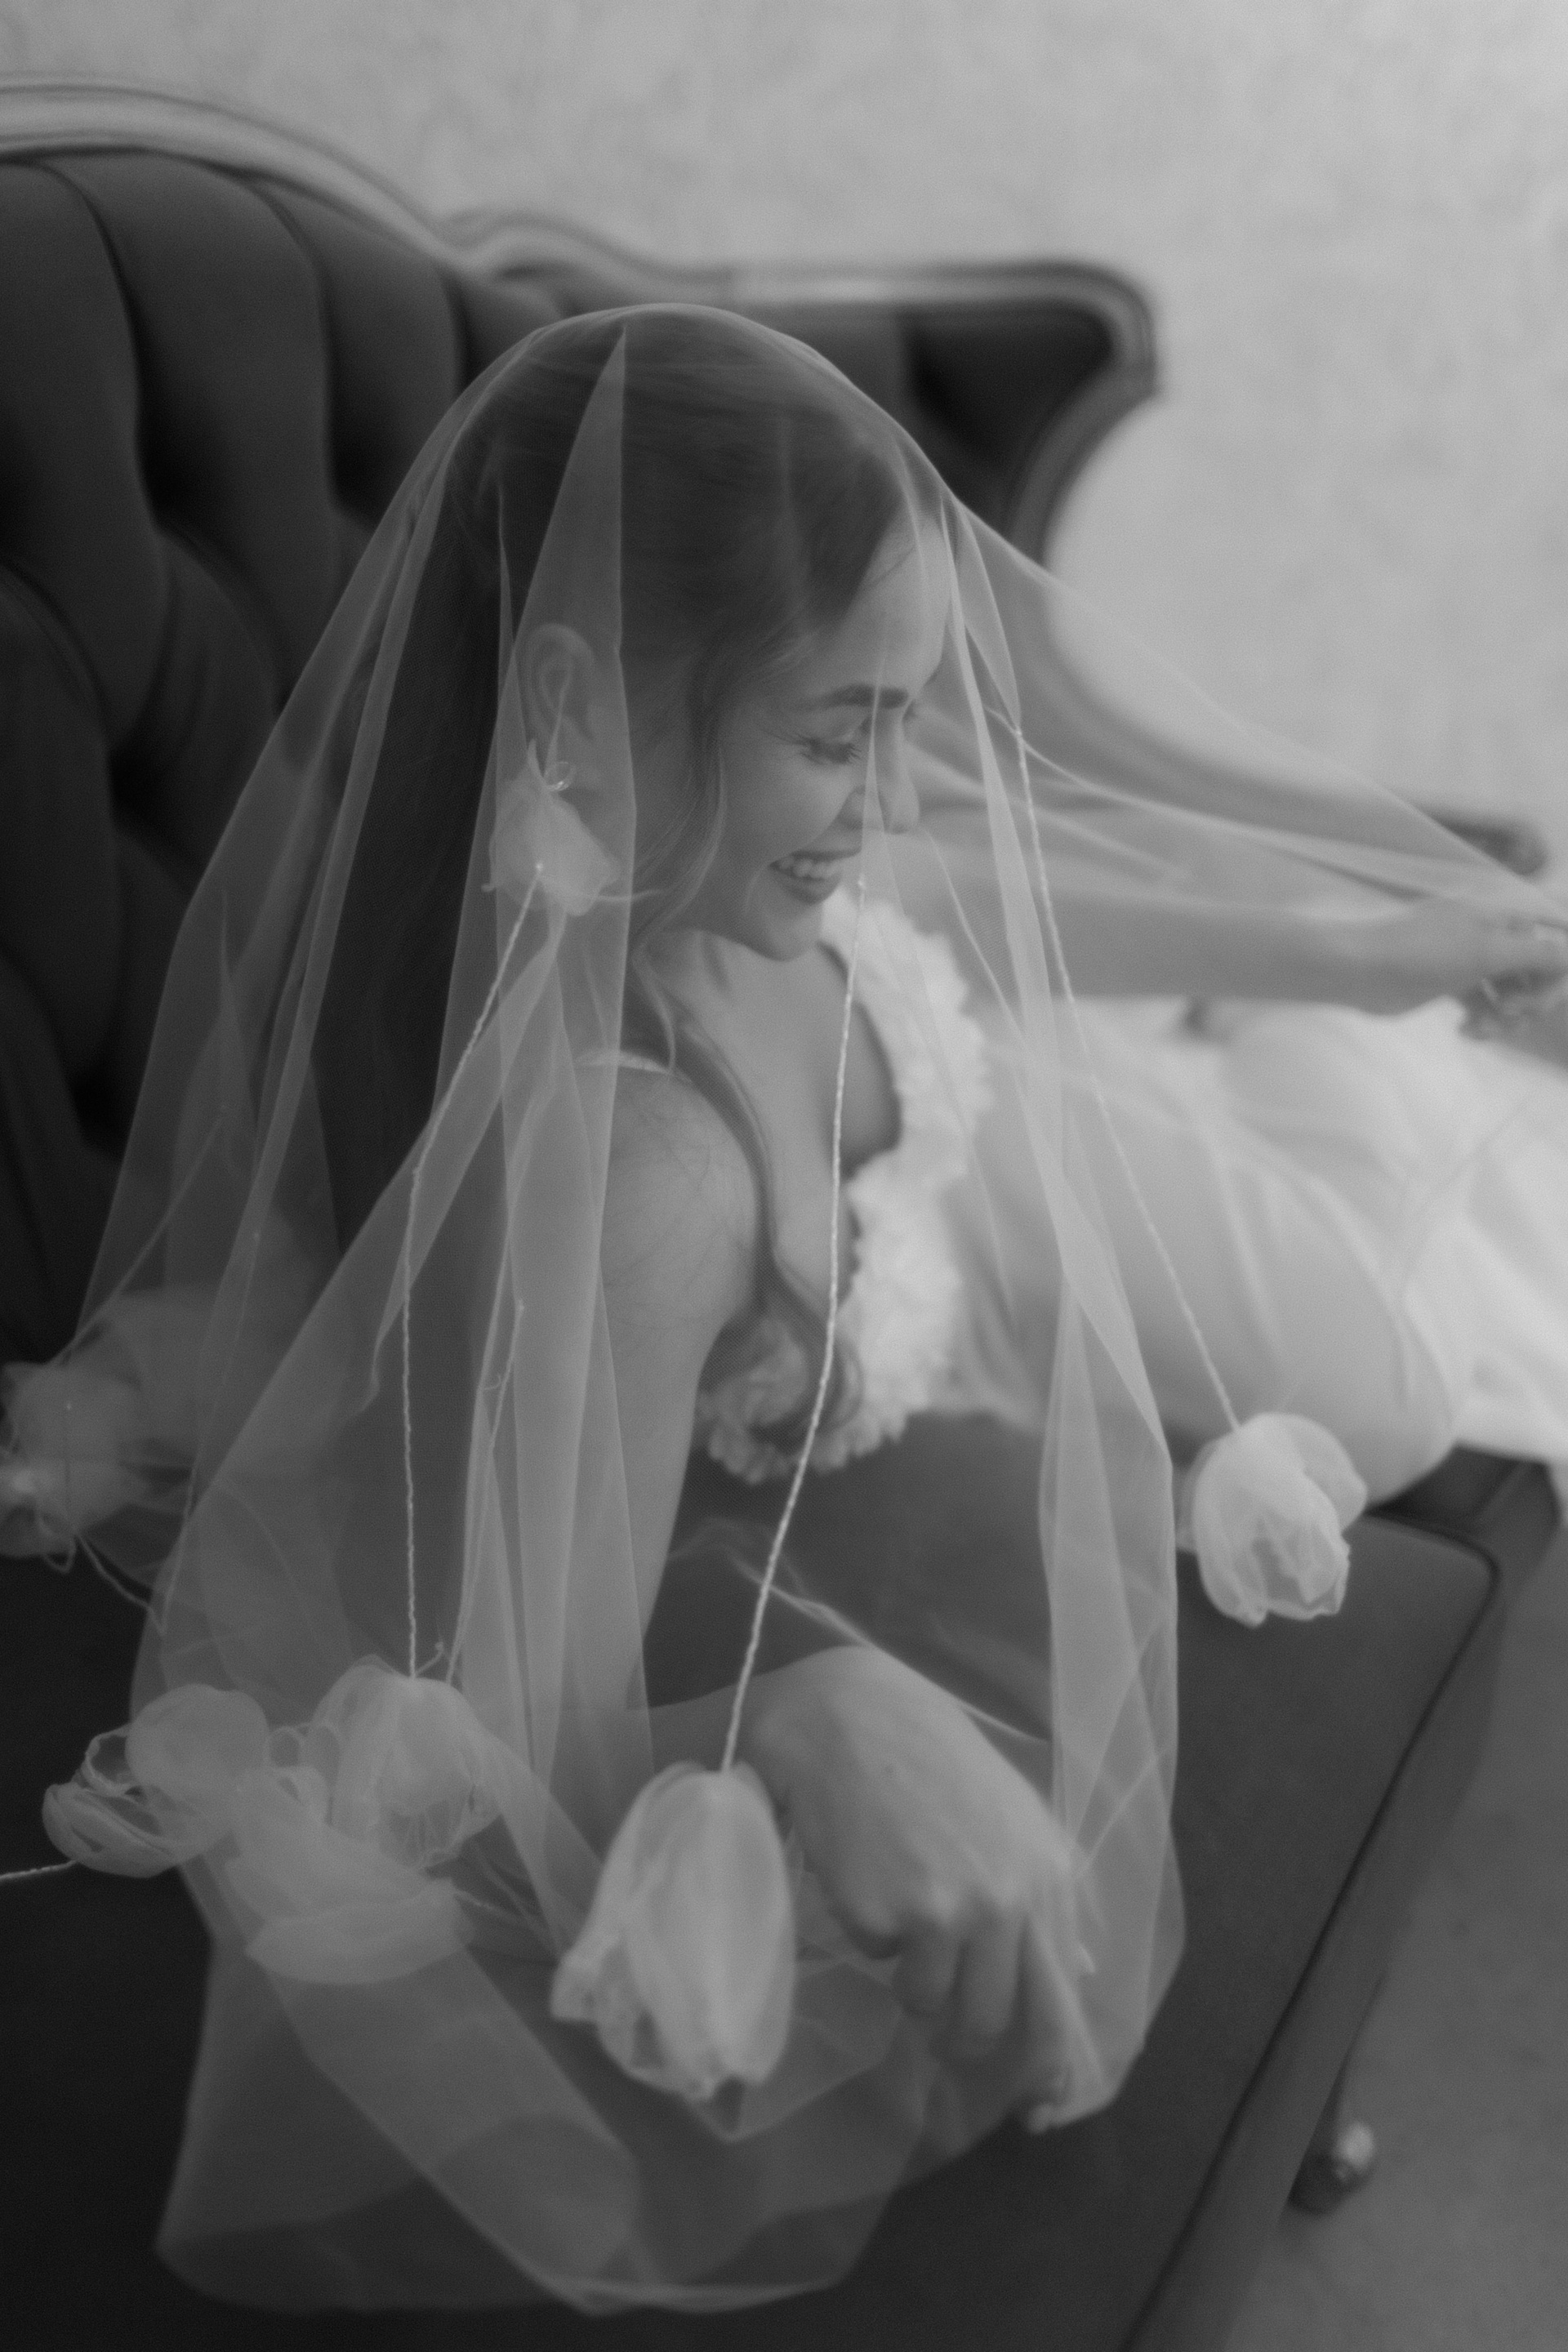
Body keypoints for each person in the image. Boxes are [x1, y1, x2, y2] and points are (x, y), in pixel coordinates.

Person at [0, 306, 1561, 2313]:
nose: (888, 793)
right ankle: (1309, 1075)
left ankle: (1304, 1043)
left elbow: (956, 889)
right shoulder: (645, 1180)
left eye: (909, 716)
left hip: (959, 1129)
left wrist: (1365, 950)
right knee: (1407, 1380)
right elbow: (522, 1753)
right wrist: (806, 1703)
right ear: (585, 697)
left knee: (1397, 1308)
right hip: (910, 1291)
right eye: (840, 733)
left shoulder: (730, 865)